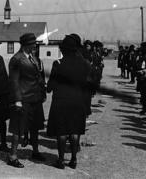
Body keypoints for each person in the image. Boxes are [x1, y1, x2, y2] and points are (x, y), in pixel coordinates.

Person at [46, 35, 90, 169]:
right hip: (78, 101)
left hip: (61, 101)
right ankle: (74, 159)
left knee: (62, 131)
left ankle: (60, 160)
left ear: (64, 50)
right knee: (75, 130)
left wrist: (47, 88)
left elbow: (50, 86)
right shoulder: (85, 64)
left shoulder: (58, 64)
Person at [7, 33, 46, 168]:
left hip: (35, 98)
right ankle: (12, 156)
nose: (35, 45)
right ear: (25, 45)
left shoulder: (33, 58)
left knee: (35, 126)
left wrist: (42, 93)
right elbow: (14, 81)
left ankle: (35, 151)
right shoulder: (16, 59)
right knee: (18, 128)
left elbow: (39, 77)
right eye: (32, 43)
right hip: (23, 99)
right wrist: (17, 99)